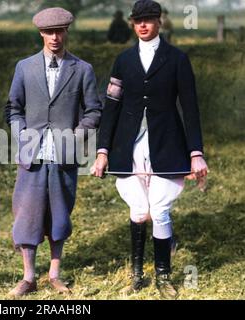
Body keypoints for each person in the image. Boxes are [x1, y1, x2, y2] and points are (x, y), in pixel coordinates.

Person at [91, 0, 208, 299]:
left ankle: (163, 276)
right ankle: (137, 274)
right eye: (137, 20)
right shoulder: (123, 60)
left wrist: (196, 152)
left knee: (160, 209)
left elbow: (191, 109)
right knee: (139, 210)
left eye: (149, 20)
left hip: (167, 144)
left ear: (160, 21)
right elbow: (112, 106)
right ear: (132, 24)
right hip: (128, 145)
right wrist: (103, 149)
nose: (143, 25)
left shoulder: (177, 59)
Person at [5, 7, 102, 297]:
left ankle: (55, 274)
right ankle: (28, 277)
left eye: (59, 31)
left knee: (59, 213)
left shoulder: (82, 69)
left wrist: (76, 135)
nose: (54, 37)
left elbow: (94, 110)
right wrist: (21, 133)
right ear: (40, 34)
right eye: (49, 32)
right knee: (28, 213)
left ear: (66, 32)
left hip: (64, 155)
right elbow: (13, 108)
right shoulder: (25, 67)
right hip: (31, 155)